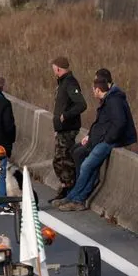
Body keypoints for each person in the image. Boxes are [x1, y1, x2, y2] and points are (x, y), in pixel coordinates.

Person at [57, 70, 136, 212]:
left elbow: (119, 123)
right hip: (103, 139)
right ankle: (74, 198)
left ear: (98, 90)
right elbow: (102, 123)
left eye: (93, 89)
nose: (92, 92)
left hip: (109, 141)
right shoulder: (108, 99)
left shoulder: (114, 101)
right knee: (85, 161)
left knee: (87, 166)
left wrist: (106, 139)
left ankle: (75, 198)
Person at [50, 56, 86, 203]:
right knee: (61, 160)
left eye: (54, 69)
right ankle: (66, 187)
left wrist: (66, 115)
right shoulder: (63, 82)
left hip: (68, 129)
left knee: (63, 160)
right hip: (62, 129)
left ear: (58, 68)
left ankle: (69, 188)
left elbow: (81, 104)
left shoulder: (70, 83)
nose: (54, 72)